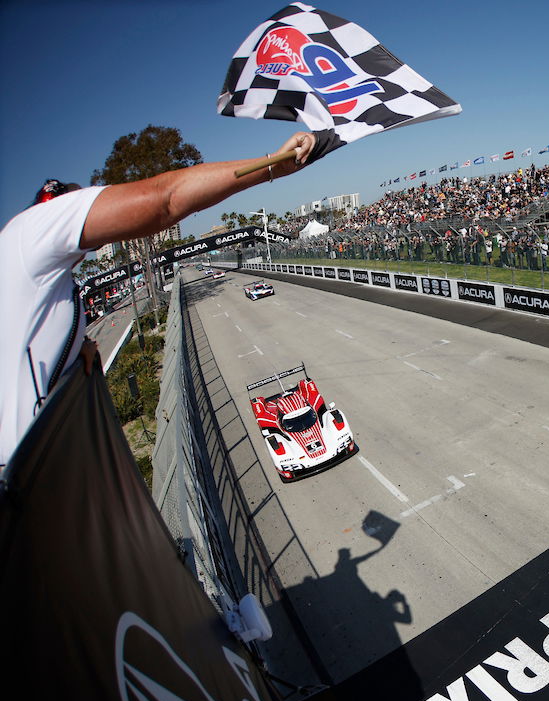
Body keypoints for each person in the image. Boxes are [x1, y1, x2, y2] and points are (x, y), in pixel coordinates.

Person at [1, 131, 320, 467]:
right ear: (58, 206)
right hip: (30, 478)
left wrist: (77, 349)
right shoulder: (36, 226)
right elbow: (164, 200)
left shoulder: (33, 274)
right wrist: (270, 167)